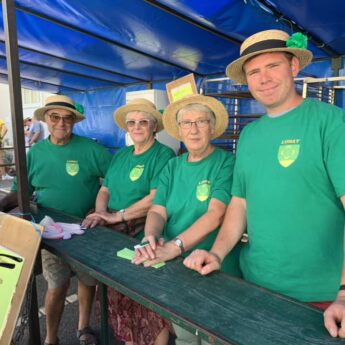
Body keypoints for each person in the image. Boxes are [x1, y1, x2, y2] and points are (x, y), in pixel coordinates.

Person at [183, 29, 345, 338]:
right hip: (256, 285)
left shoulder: (331, 122)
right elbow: (239, 204)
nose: (264, 78)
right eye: (254, 71)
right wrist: (216, 254)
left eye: (273, 66)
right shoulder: (249, 136)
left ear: (294, 67)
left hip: (323, 296)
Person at [0, 95, 112, 345]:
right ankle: (51, 338)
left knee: (87, 281)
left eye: (67, 117)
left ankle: (83, 328)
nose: (61, 122)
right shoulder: (35, 153)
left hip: (87, 231)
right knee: (56, 286)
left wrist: (104, 210)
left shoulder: (92, 150)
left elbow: (115, 181)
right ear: (46, 120)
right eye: (55, 117)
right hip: (50, 233)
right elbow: (21, 190)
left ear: (74, 121)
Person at [132, 93, 242, 344]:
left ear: (212, 128)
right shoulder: (173, 166)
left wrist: (175, 246)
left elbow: (216, 214)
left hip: (216, 267)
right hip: (177, 267)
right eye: (186, 123)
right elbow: (158, 210)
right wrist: (152, 236)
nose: (193, 129)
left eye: (201, 122)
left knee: (216, 337)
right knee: (184, 337)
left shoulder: (226, 162)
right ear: (179, 130)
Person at [82, 98, 175, 345]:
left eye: (143, 122)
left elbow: (155, 198)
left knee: (148, 300)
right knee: (117, 296)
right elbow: (105, 190)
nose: (136, 127)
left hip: (142, 231)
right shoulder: (122, 155)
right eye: (132, 122)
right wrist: (101, 214)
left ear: (154, 126)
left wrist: (118, 216)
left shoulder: (163, 154)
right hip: (113, 231)